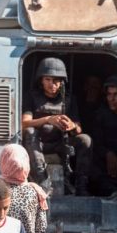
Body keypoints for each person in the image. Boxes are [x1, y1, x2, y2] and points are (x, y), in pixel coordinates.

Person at [22, 57, 93, 195]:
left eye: (56, 80)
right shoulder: (32, 96)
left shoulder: (69, 100)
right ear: (41, 81)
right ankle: (42, 182)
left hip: (60, 143)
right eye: (48, 80)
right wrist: (48, 119)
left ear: (61, 83)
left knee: (85, 140)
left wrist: (71, 126)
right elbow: (24, 123)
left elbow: (79, 128)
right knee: (30, 131)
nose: (52, 84)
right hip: (37, 144)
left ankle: (81, 186)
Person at [90, 75, 117, 195]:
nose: (112, 98)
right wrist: (107, 153)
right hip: (105, 167)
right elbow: (96, 143)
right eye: (109, 94)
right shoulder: (101, 115)